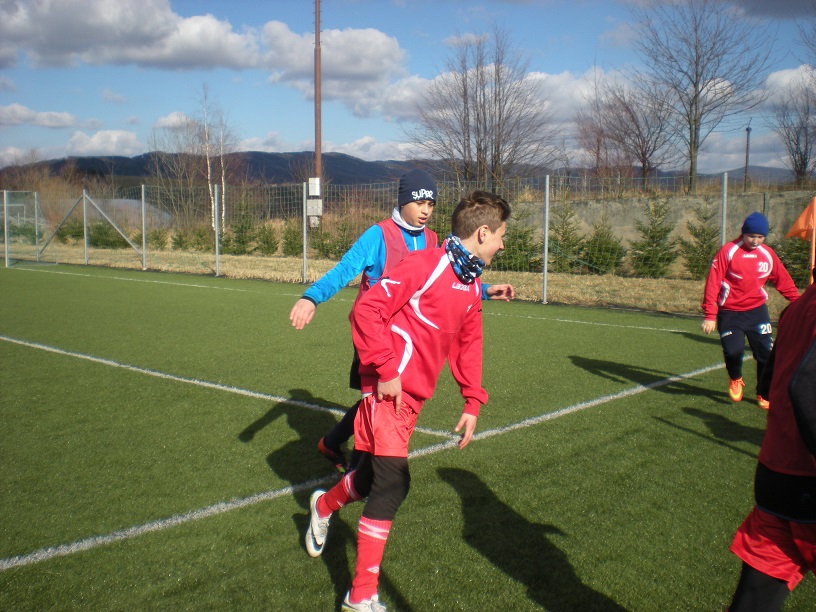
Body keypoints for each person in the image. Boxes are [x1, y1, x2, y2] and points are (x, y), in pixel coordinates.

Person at [303, 190, 510, 612]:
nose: (503, 245)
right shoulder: (425, 264)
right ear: (483, 232)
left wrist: (472, 402)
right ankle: (361, 595)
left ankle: (323, 505)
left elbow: (469, 345)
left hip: (412, 395)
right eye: (501, 235)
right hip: (385, 388)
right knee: (394, 483)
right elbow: (366, 312)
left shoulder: (472, 286)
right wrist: (386, 369)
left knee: (370, 480)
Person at [289, 169, 514, 472]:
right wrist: (312, 297)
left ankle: (332, 444)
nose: (425, 210)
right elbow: (344, 270)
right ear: (403, 201)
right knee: (376, 408)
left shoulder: (433, 240)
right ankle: (357, 480)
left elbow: (441, 283)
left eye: (431, 204)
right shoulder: (378, 235)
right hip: (376, 336)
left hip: (410, 340)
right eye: (419, 203)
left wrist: (484, 291)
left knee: (379, 404)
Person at [726, 278, 816, 612]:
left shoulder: (798, 307)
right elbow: (804, 387)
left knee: (754, 602)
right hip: (808, 480)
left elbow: (768, 380)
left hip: (775, 477)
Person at [701, 211, 799, 409]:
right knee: (733, 351)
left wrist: (799, 303)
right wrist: (710, 314)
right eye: (751, 236)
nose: (755, 241)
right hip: (730, 313)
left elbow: (783, 280)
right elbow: (713, 282)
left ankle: (764, 392)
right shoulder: (728, 251)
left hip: (756, 312)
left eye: (760, 237)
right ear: (743, 233)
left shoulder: (768, 255)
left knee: (766, 354)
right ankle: (735, 378)